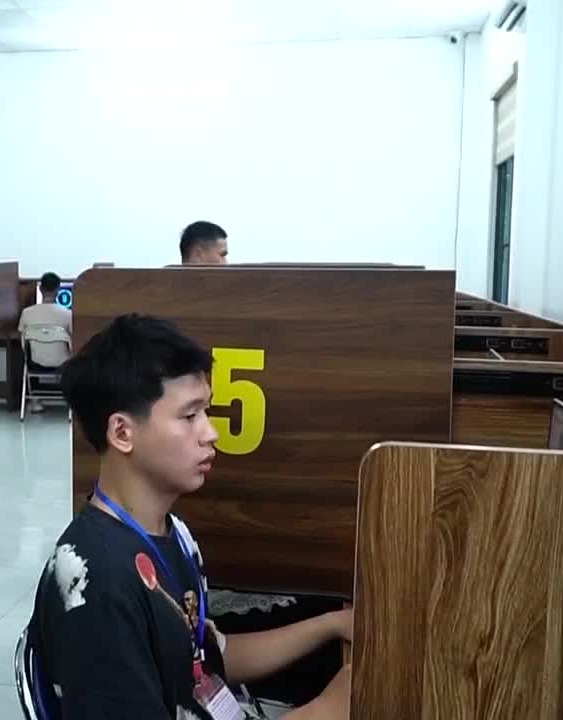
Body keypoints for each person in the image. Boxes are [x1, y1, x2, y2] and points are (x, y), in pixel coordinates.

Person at [29, 314, 352, 720]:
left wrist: (333, 625)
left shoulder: (173, 532)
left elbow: (210, 658)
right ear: (122, 433)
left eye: (206, 412)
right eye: (189, 416)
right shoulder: (98, 584)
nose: (211, 433)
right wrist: (325, 712)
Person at [17, 272, 72, 413]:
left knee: (28, 356)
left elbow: (21, 336)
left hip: (34, 363)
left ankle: (35, 401)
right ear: (58, 290)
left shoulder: (27, 313)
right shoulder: (67, 314)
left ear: (40, 289)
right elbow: (73, 336)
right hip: (63, 365)